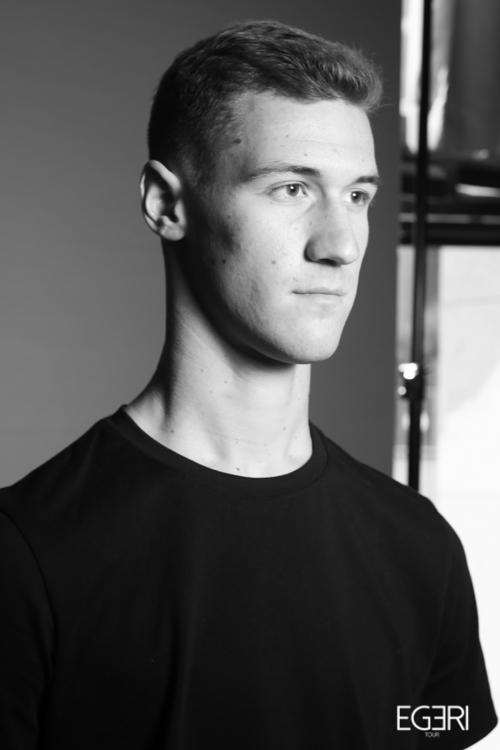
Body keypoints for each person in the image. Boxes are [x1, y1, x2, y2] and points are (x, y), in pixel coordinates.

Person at [0, 19, 496, 750]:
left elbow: (429, 730)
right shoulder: (26, 554)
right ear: (167, 204)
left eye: (358, 196)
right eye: (291, 188)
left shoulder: (421, 547)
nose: (341, 245)